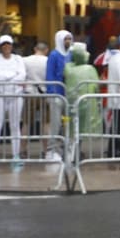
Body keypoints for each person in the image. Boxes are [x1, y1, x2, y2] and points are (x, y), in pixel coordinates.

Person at [0, 34, 26, 169]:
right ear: (0, 46)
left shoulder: (18, 59)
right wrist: (12, 77)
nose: (6, 47)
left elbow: (22, 74)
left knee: (15, 125)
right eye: (4, 45)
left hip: (15, 95)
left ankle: (16, 155)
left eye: (8, 44)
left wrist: (9, 79)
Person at [64, 43, 103, 144]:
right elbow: (96, 86)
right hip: (88, 102)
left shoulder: (68, 68)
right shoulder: (90, 69)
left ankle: (73, 147)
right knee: (82, 125)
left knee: (73, 126)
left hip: (72, 101)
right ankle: (77, 148)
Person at [45, 30, 74, 161]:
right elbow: (50, 74)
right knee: (55, 123)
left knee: (68, 123)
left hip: (69, 94)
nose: (68, 41)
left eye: (69, 39)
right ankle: (51, 149)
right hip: (57, 94)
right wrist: (52, 92)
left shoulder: (72, 54)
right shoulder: (54, 55)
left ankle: (67, 149)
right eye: (65, 39)